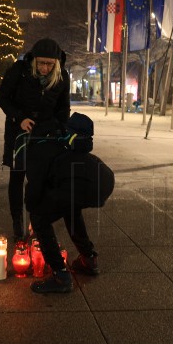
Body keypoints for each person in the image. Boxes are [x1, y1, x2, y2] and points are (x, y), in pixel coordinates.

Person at [24, 113, 109, 294]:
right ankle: (88, 259)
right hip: (102, 181)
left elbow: (35, 184)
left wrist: (33, 212)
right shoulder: (73, 144)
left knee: (40, 217)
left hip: (82, 183)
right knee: (70, 208)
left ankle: (60, 276)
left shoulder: (41, 148)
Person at [0, 38, 70, 240]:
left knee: (41, 179)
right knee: (17, 176)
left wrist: (60, 131)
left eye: (50, 64)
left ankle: (37, 220)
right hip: (18, 131)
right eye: (41, 63)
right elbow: (2, 97)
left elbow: (63, 108)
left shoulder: (62, 76)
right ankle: (17, 220)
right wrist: (19, 117)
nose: (45, 68)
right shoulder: (19, 70)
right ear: (34, 60)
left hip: (44, 134)